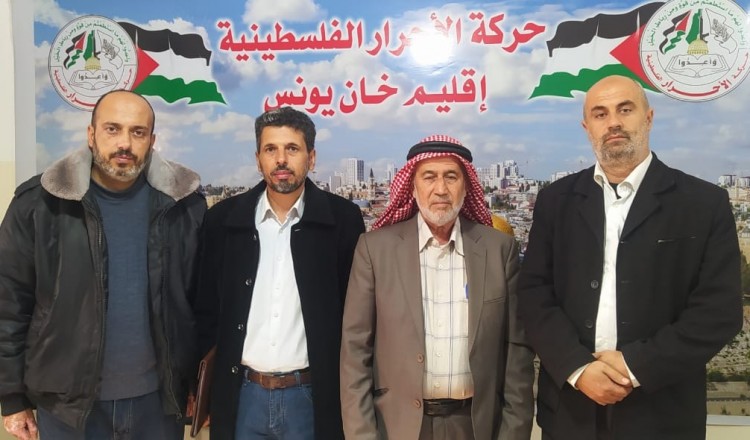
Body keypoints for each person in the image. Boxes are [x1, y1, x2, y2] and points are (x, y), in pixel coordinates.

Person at [518, 75, 743, 439]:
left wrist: (635, 366)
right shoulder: (556, 201)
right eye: (600, 114)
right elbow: (534, 294)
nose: (614, 123)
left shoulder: (702, 203)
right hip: (570, 413)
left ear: (648, 118)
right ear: (587, 127)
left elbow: (719, 311)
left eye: (625, 110)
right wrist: (577, 368)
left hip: (662, 414)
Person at [0, 90, 206, 439]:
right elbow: (8, 302)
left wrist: (195, 385)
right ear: (91, 134)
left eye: (138, 132)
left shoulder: (184, 207)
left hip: (157, 406)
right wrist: (11, 397)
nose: (125, 143)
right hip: (67, 407)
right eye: (112, 129)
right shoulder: (39, 204)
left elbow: (200, 303)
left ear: (152, 141)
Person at [340, 135, 535, 440]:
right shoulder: (375, 250)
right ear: (412, 186)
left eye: (451, 177)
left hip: (476, 426)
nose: (441, 189)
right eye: (429, 177)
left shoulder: (498, 249)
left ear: (467, 186)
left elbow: (516, 354)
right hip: (398, 427)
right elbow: (355, 352)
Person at [193, 106, 365, 440]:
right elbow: (207, 310)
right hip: (243, 395)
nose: (281, 160)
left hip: (312, 395)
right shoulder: (224, 220)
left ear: (311, 158)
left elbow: (355, 314)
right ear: (258, 160)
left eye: (292, 149)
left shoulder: (342, 220)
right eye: (271, 149)